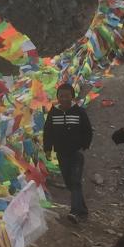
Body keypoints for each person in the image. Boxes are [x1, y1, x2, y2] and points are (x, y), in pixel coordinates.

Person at [42, 82, 93, 222]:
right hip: (61, 154)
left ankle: (75, 212)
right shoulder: (53, 113)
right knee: (69, 182)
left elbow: (87, 130)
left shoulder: (79, 112)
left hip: (76, 153)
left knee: (75, 181)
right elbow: (48, 132)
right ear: (57, 97)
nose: (64, 98)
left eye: (67, 96)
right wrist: (47, 148)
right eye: (61, 96)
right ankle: (82, 209)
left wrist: (85, 145)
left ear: (73, 96)